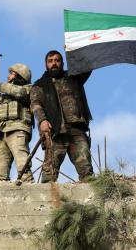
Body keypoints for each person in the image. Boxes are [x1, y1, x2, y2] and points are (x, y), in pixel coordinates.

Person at [30, 50, 94, 183]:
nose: (54, 63)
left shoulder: (74, 77)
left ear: (62, 62)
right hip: (55, 132)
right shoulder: (39, 85)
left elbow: (87, 65)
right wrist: (42, 121)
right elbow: (36, 105)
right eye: (50, 61)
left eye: (57, 60)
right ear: (46, 64)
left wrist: (73, 51)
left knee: (86, 171)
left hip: (76, 129)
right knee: (49, 174)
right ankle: (49, 201)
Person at [0, 63, 34, 182]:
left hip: (17, 129)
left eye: (11, 73)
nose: (8, 76)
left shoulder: (28, 88)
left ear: (20, 75)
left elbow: (20, 93)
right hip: (0, 132)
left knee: (22, 162)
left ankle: (28, 183)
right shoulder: (3, 96)